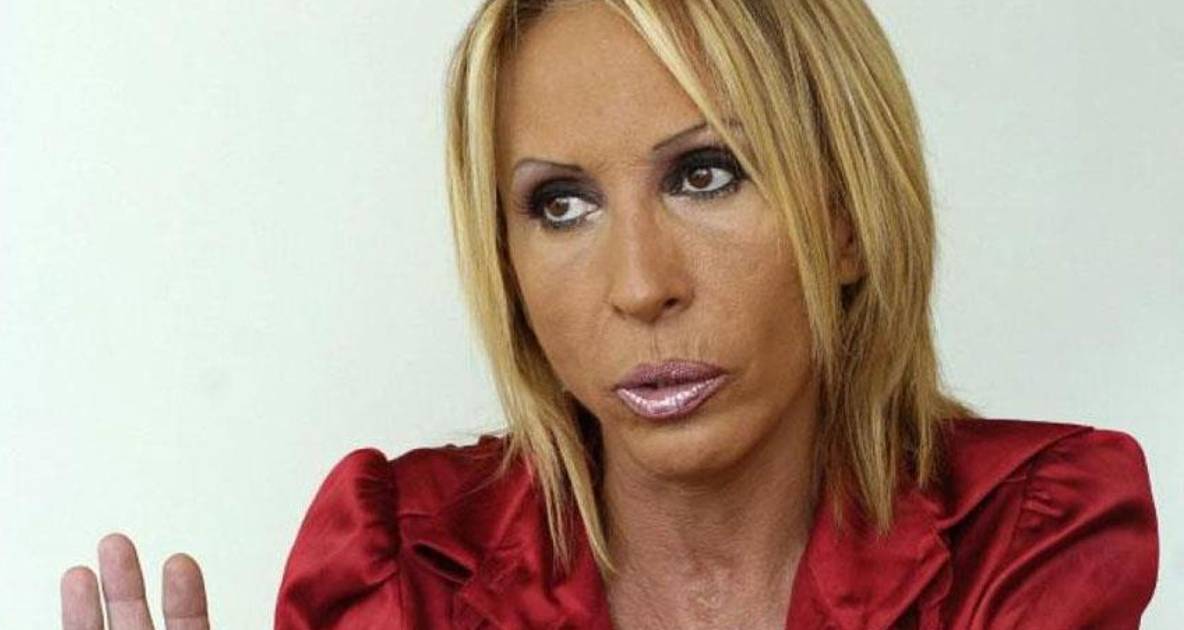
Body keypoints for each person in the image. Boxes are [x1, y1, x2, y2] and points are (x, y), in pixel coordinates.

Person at [59, 0, 1160, 628]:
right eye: (562, 204)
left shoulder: (1030, 537)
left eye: (706, 175)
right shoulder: (400, 566)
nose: (639, 286)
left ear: (847, 220)